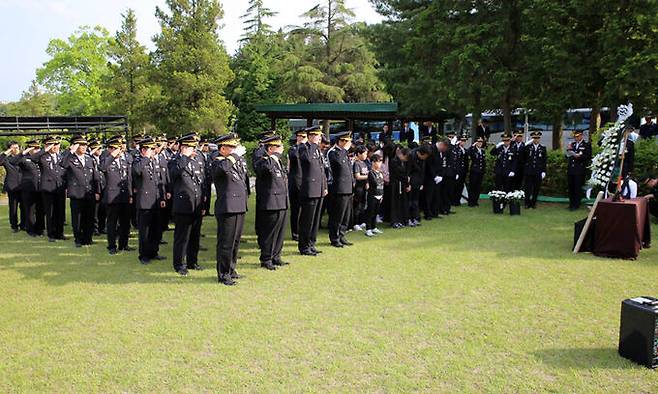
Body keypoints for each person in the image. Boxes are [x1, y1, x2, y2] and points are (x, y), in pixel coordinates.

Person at [212, 133, 249, 286]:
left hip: (238, 205)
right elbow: (223, 169)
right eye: (231, 147)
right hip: (227, 207)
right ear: (222, 149)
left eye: (235, 146)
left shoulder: (233, 161)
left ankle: (231, 269)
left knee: (235, 241)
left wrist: (235, 158)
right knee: (226, 242)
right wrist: (234, 156)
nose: (235, 149)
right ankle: (223, 274)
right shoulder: (218, 162)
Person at [169, 133, 205, 276]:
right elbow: (174, 174)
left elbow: (201, 182)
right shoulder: (175, 161)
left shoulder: (197, 160)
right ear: (183, 147)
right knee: (182, 237)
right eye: (190, 147)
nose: (193, 149)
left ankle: (192, 261)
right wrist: (184, 156)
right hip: (182, 205)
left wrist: (202, 203)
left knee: (195, 236)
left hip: (195, 203)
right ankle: (179, 264)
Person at [254, 134, 289, 270]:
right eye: (278, 146)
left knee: (280, 231)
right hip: (271, 202)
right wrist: (274, 156)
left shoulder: (278, 161)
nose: (282, 148)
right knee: (269, 232)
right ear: (270, 148)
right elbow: (264, 170)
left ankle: (276, 256)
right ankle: (266, 258)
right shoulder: (264, 161)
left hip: (281, 200)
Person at [60, 135, 101, 247]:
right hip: (77, 192)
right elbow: (63, 165)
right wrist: (71, 151)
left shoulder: (90, 159)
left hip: (89, 192)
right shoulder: (70, 158)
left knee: (89, 216)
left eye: (85, 145)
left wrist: (97, 191)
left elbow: (95, 176)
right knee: (77, 218)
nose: (83, 147)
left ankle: (88, 238)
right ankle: (78, 239)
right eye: (80, 145)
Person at [132, 136, 166, 264]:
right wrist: (146, 157)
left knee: (156, 230)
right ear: (143, 150)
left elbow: (158, 181)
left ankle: (154, 252)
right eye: (151, 149)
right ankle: (144, 255)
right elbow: (137, 171)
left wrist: (161, 197)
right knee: (144, 232)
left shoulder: (153, 162)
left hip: (155, 201)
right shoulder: (138, 161)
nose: (154, 151)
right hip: (145, 201)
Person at [297, 126, 328, 256]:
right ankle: (304, 246)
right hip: (309, 189)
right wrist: (313, 145)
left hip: (319, 189)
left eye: (319, 136)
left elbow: (322, 170)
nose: (319, 138)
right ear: (310, 136)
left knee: (315, 219)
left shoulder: (317, 150)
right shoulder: (304, 148)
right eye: (316, 135)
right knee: (307, 219)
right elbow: (307, 161)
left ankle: (311, 243)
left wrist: (325, 186)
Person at [100, 135, 133, 255]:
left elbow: (128, 178)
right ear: (110, 148)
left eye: (120, 147)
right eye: (115, 147)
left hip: (124, 195)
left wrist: (130, 194)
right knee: (112, 222)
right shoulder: (105, 158)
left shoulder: (126, 159)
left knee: (125, 222)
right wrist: (112, 155)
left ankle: (124, 244)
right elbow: (102, 168)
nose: (119, 150)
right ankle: (111, 246)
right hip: (112, 196)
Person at [327, 131, 354, 248]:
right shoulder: (333, 153)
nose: (350, 144)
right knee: (337, 215)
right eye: (347, 141)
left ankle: (342, 235)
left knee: (346, 215)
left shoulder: (344, 153)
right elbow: (337, 165)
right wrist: (344, 150)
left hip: (347, 188)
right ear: (341, 141)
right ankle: (334, 237)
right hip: (338, 188)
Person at [36, 136, 65, 242]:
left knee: (60, 212)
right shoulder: (43, 156)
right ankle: (51, 234)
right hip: (48, 188)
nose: (55, 146)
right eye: (52, 144)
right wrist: (45, 149)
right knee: (50, 212)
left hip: (59, 188)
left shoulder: (60, 156)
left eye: (56, 144)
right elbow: (34, 158)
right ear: (47, 145)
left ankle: (59, 233)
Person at [18, 140, 45, 237]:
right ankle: (31, 229)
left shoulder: (41, 158)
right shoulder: (24, 159)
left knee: (41, 209)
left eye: (38, 148)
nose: (36, 150)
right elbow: (15, 161)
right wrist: (24, 152)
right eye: (34, 148)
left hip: (40, 187)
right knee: (30, 210)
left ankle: (40, 229)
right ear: (29, 149)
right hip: (28, 188)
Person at [0, 141, 25, 232]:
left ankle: (23, 225)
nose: (16, 149)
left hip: (23, 185)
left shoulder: (23, 156)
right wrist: (8, 151)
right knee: (13, 207)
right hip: (12, 186)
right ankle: (14, 226)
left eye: (17, 147)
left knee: (24, 207)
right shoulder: (6, 159)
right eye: (13, 148)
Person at [287, 129, 307, 241]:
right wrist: (301, 146)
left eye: (304, 137)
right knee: (295, 209)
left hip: (305, 182)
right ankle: (295, 232)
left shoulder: (308, 149)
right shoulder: (293, 149)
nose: (302, 139)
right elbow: (294, 157)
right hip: (295, 183)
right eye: (300, 136)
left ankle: (302, 231)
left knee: (304, 209)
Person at [566, 130, 592, 210]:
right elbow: (568, 155)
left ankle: (576, 204)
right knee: (571, 187)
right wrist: (568, 151)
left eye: (577, 136)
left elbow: (588, 156)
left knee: (577, 187)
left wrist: (579, 156)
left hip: (580, 169)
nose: (576, 138)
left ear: (581, 136)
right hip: (571, 169)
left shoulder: (586, 145)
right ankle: (571, 203)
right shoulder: (572, 144)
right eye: (575, 137)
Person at [523, 131, 547, 209]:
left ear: (539, 139)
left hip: (538, 171)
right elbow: (523, 158)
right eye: (534, 138)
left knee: (536, 188)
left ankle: (533, 203)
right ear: (532, 138)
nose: (536, 140)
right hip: (529, 171)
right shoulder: (527, 147)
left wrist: (543, 171)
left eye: (537, 138)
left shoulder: (543, 148)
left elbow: (544, 161)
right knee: (528, 188)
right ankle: (527, 203)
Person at [408, 144, 430, 226]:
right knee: (409, 201)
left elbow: (422, 171)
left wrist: (421, 183)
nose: (425, 158)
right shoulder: (411, 155)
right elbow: (408, 171)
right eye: (425, 156)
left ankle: (415, 217)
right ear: (421, 153)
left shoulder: (423, 160)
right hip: (411, 182)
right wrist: (408, 184)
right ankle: (409, 218)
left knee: (415, 201)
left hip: (418, 182)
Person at [89, 139, 106, 236]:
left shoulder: (102, 158)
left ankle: (102, 227)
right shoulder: (90, 158)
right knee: (95, 210)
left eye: (100, 148)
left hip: (103, 186)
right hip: (95, 187)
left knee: (103, 210)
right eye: (97, 148)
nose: (99, 150)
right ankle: (94, 229)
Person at [364, 153, 385, 237]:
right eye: (378, 161)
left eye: (380, 162)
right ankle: (368, 229)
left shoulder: (380, 173)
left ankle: (374, 227)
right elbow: (375, 182)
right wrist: (380, 179)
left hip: (379, 195)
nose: (379, 164)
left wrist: (382, 195)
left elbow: (382, 184)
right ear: (373, 162)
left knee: (376, 213)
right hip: (372, 195)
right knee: (370, 213)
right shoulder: (371, 173)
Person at [389, 146, 410, 228]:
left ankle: (402, 219)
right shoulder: (394, 161)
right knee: (395, 203)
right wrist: (406, 179)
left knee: (402, 202)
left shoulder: (402, 162)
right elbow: (400, 173)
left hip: (401, 183)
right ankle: (395, 221)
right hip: (395, 184)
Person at [352, 145, 369, 231]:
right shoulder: (356, 164)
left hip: (364, 187)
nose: (366, 155)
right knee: (357, 206)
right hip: (358, 188)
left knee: (363, 205)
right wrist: (368, 176)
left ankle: (362, 221)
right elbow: (357, 176)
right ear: (359, 154)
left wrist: (367, 182)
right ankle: (355, 223)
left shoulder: (364, 163)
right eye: (364, 153)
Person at [467, 137, 486, 207]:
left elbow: (483, 162)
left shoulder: (482, 151)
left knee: (478, 187)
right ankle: (471, 201)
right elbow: (467, 153)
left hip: (480, 171)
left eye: (481, 142)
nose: (480, 143)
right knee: (472, 186)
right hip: (474, 171)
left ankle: (475, 201)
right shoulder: (473, 150)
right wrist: (472, 146)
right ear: (476, 143)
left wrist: (484, 170)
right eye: (479, 142)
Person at [452, 133, 468, 205]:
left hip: (463, 170)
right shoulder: (456, 149)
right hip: (457, 170)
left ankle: (457, 200)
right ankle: (454, 200)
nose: (463, 142)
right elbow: (455, 160)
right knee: (455, 186)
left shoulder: (464, 149)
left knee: (460, 186)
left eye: (464, 141)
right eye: (462, 140)